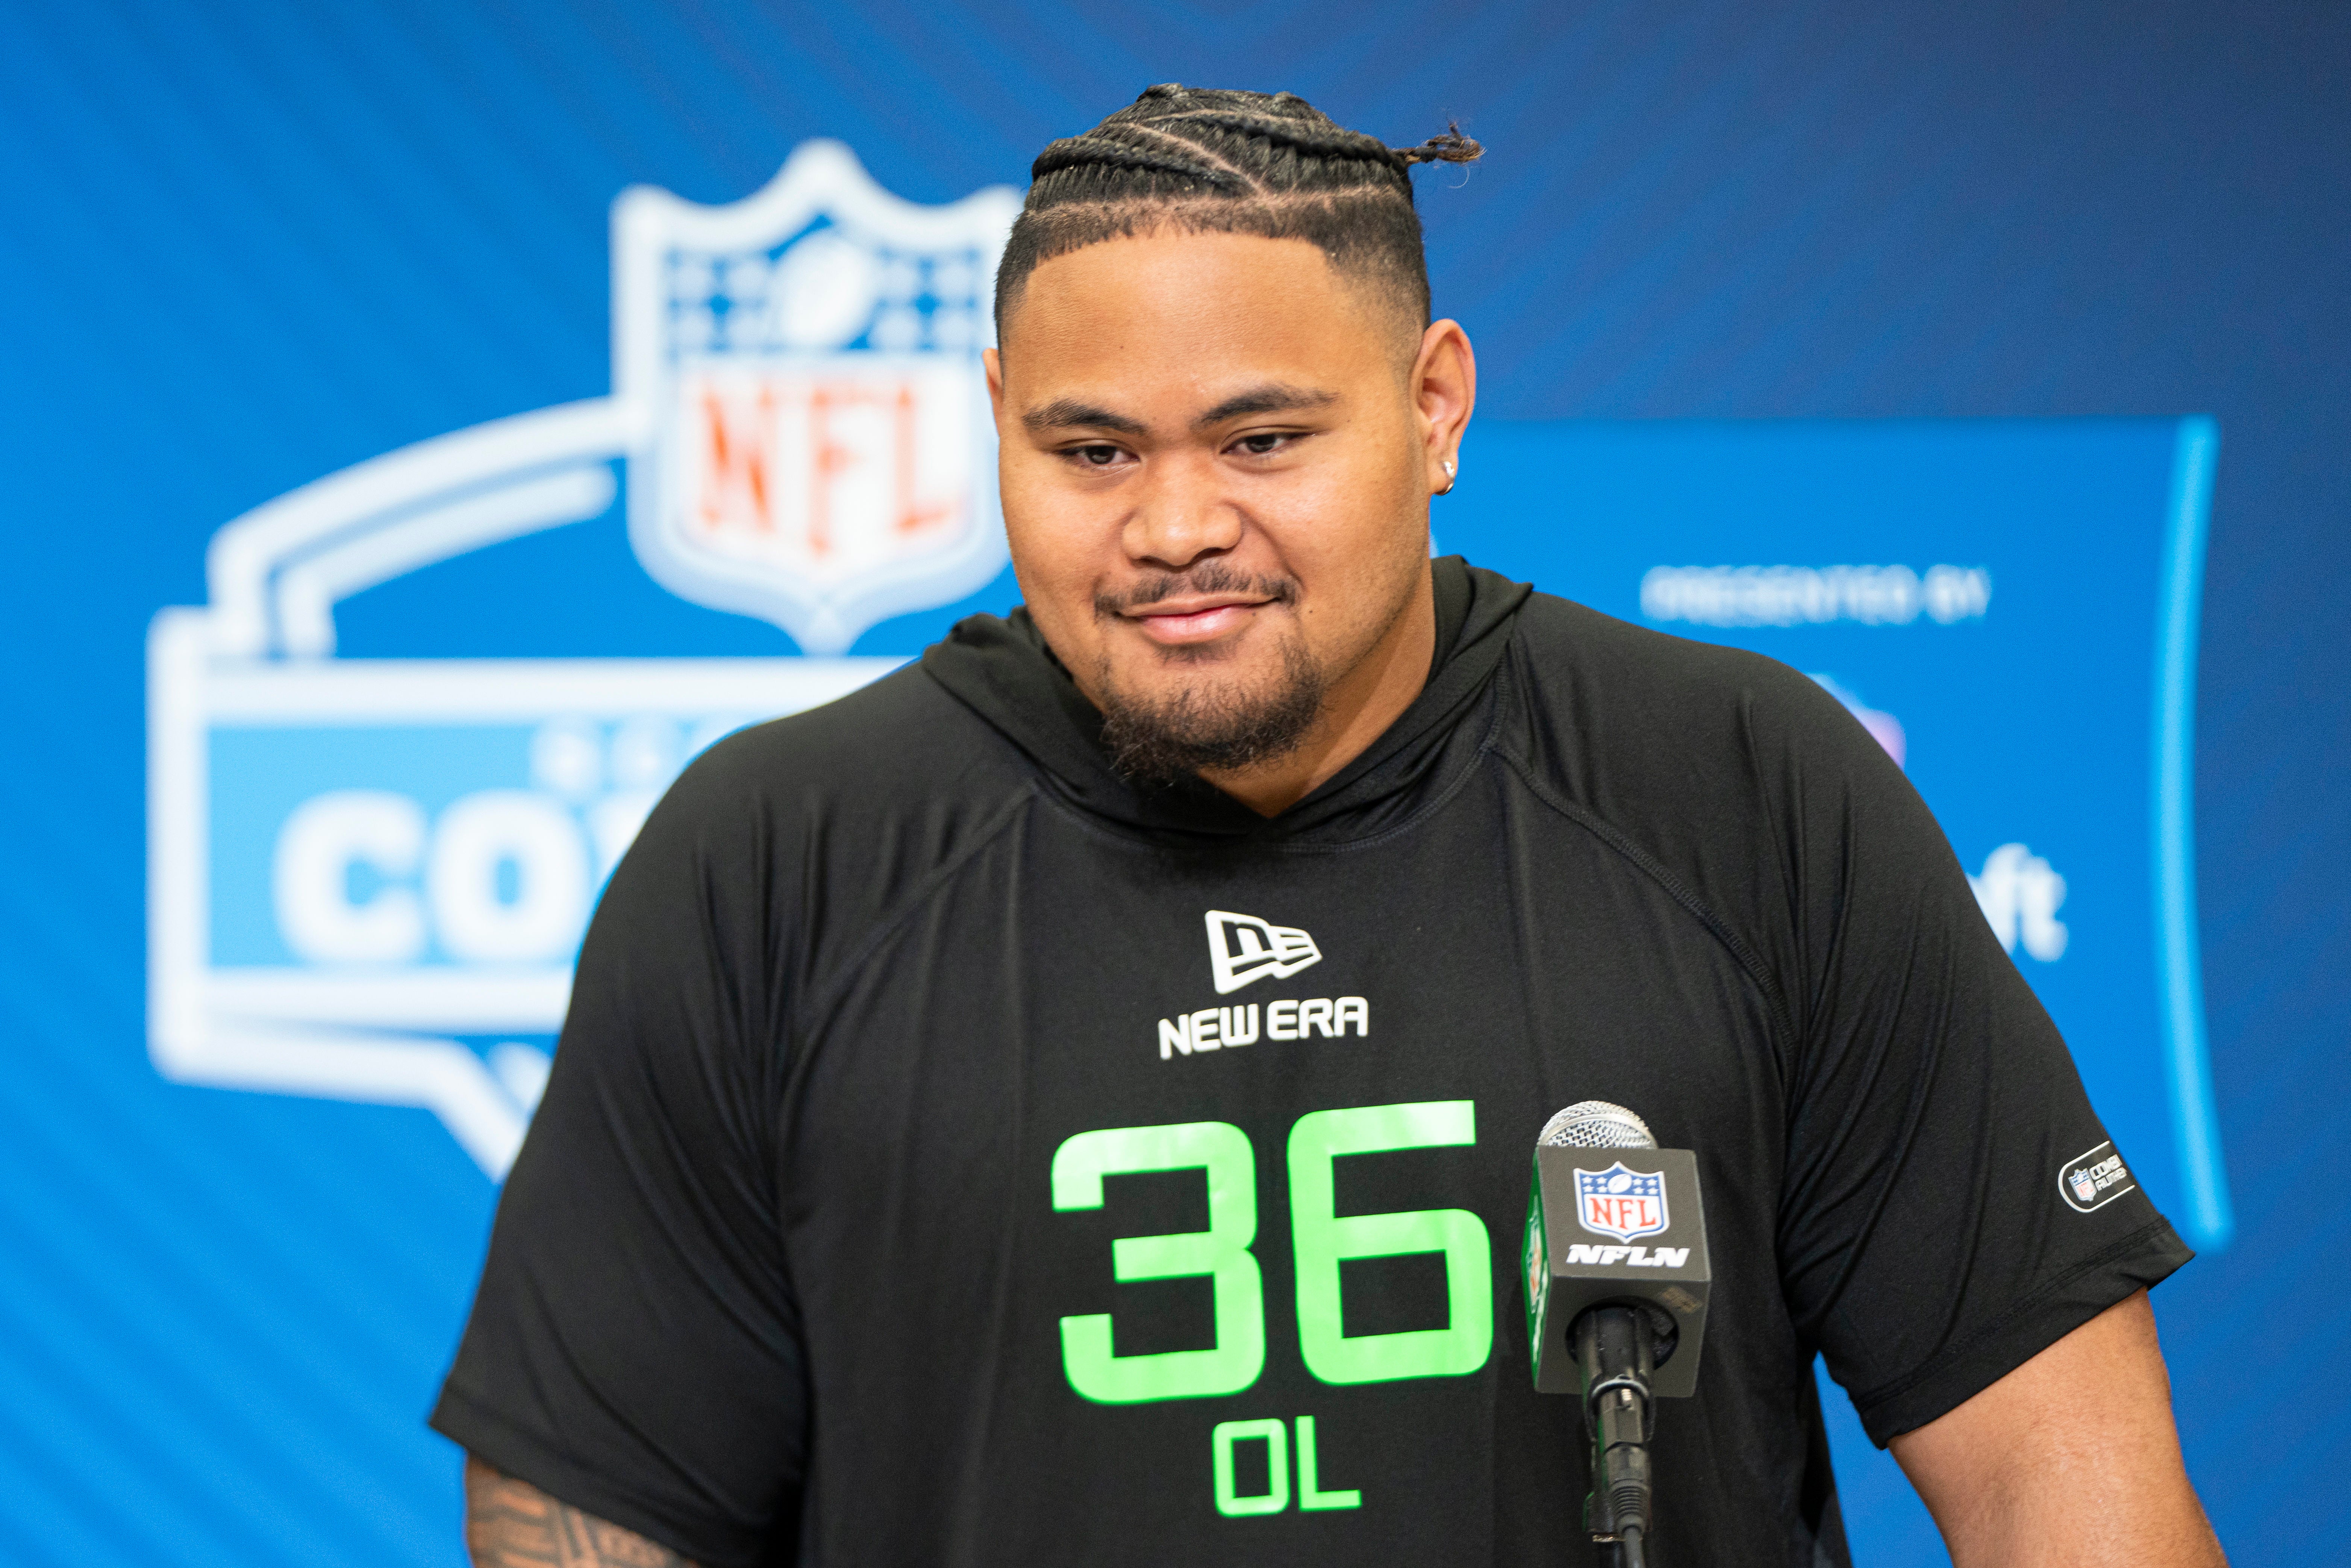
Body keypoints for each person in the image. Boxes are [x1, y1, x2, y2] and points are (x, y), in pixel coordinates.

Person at [434, 85, 2224, 1567]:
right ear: (995, 424)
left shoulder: (1743, 786)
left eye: (1263, 438)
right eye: (1092, 452)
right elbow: (585, 1504)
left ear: (1435, 404)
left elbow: (2058, 1478)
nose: (1173, 525)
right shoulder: (777, 857)